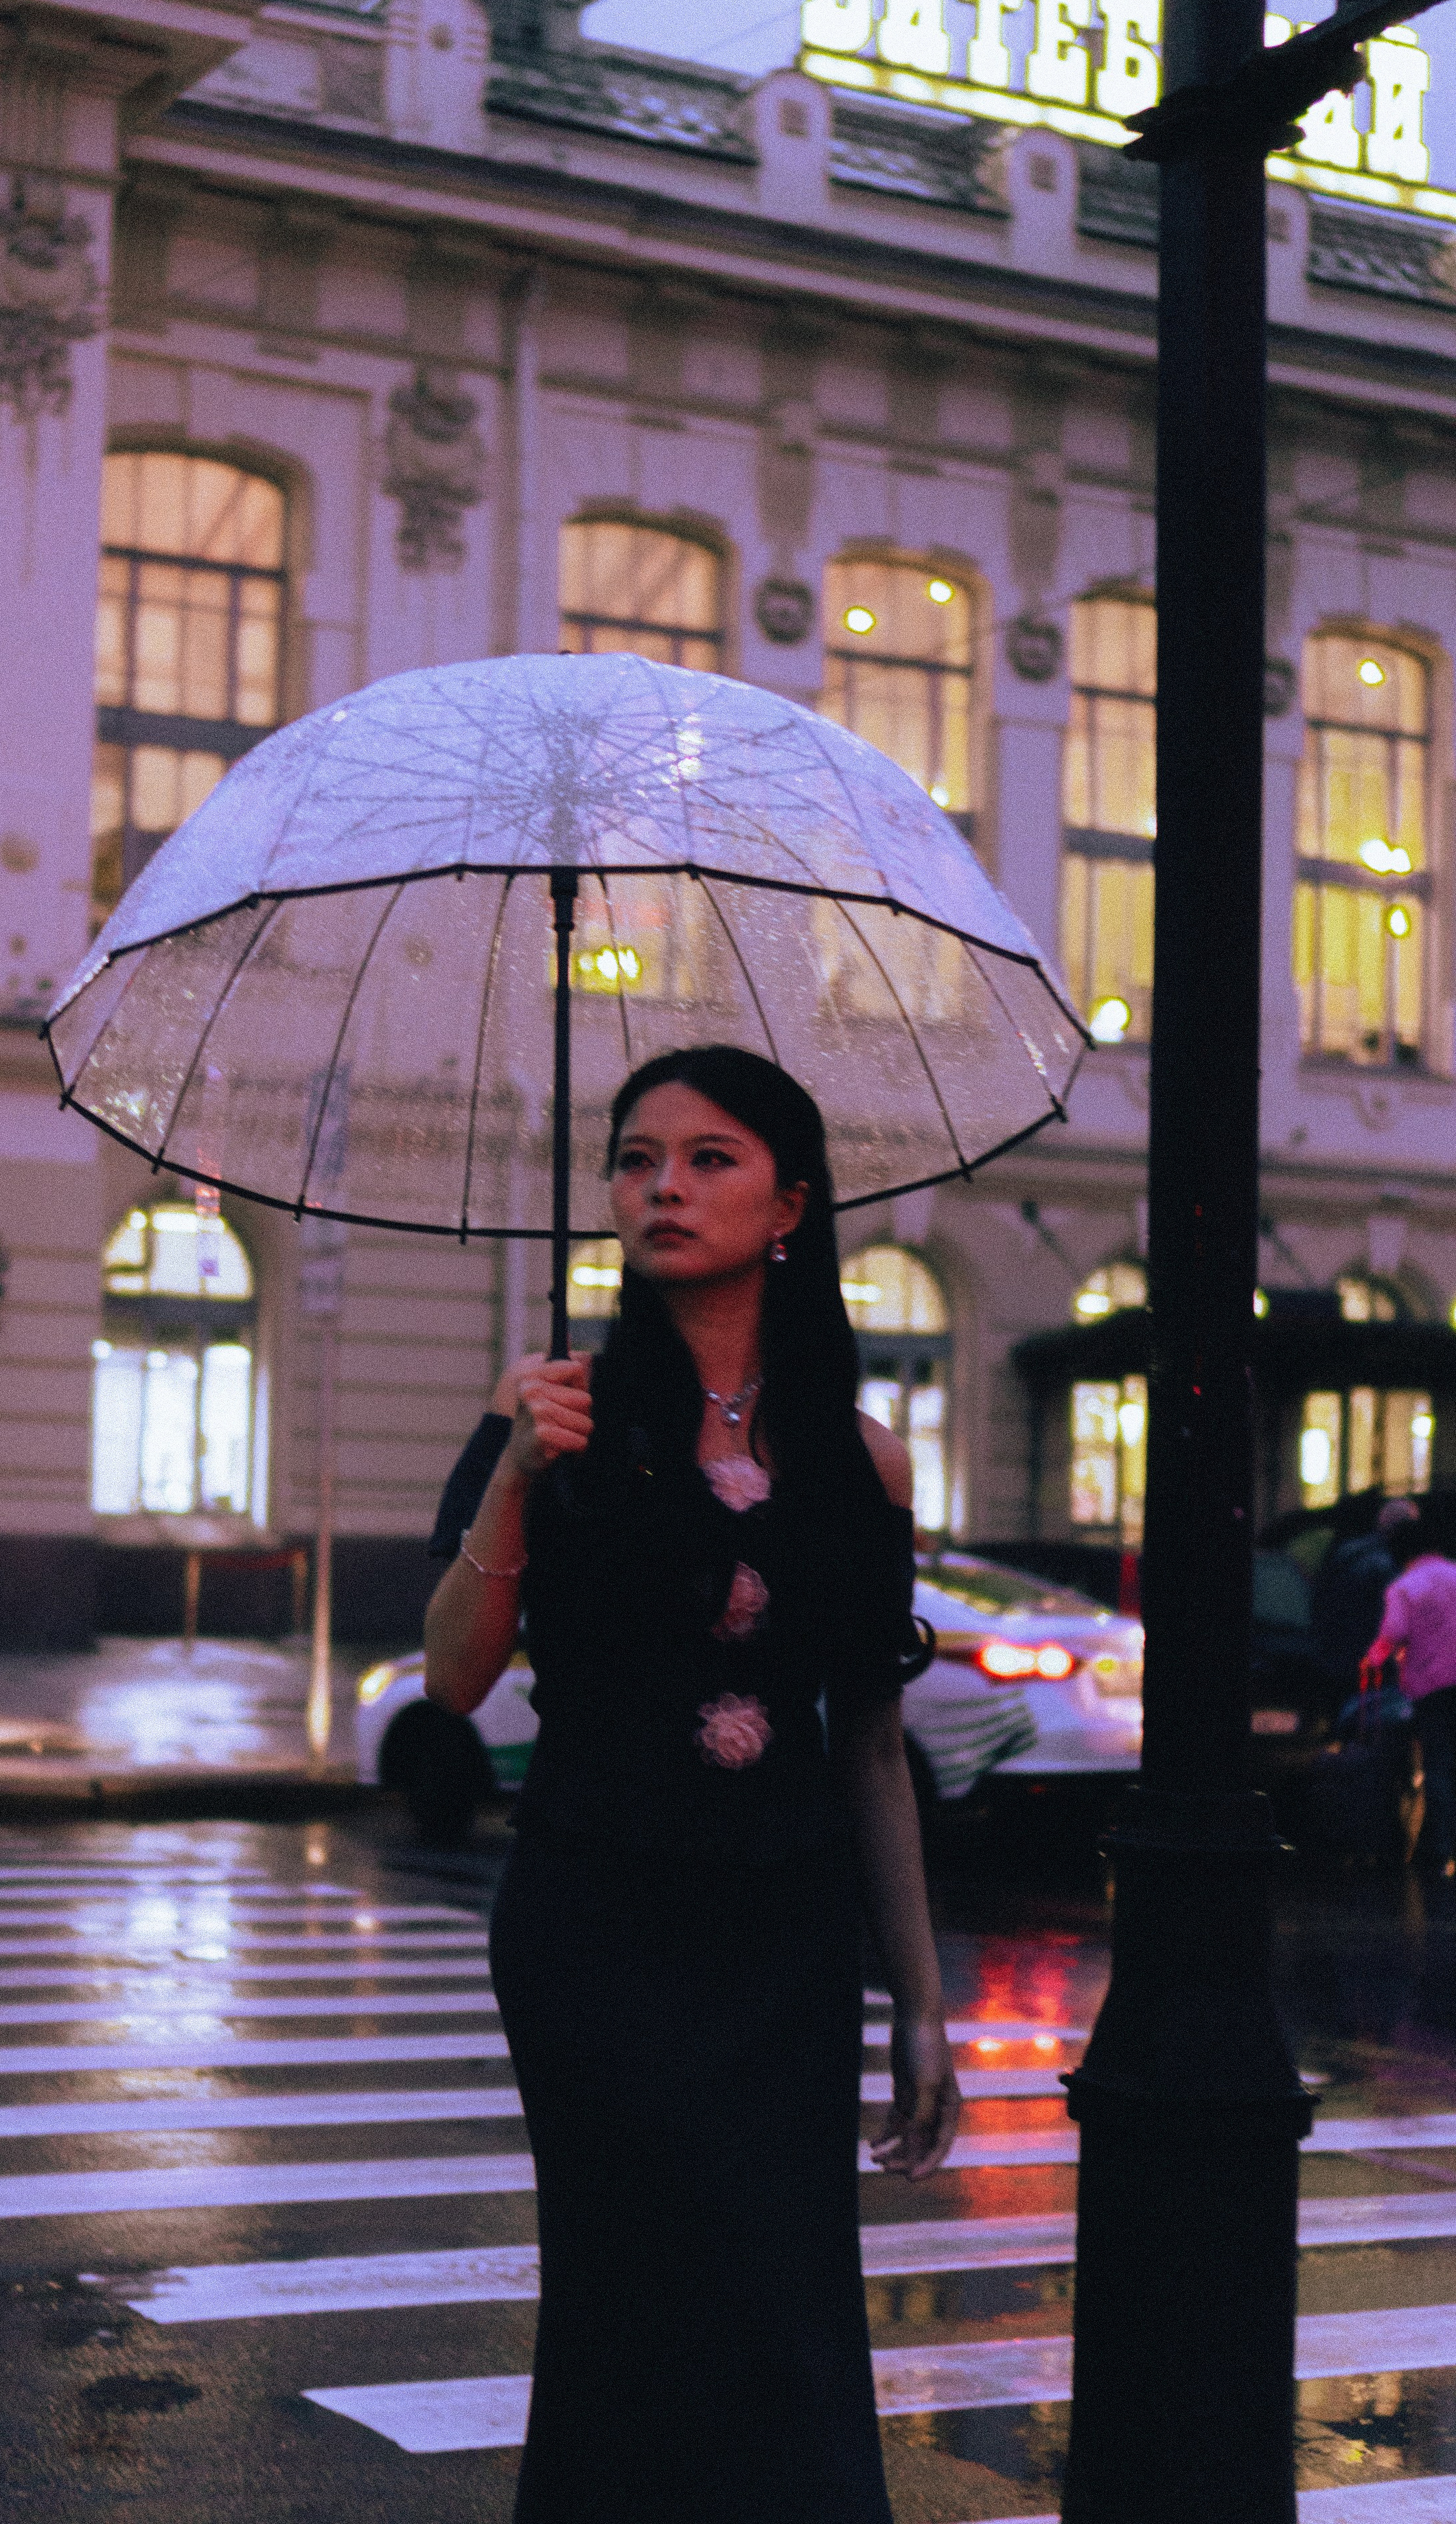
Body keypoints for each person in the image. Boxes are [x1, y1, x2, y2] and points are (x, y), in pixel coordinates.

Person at [424, 1044, 960, 2524]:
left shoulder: (861, 1459)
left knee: (783, 2316)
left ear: (789, 1203)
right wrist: (517, 1472)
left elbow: (862, 1743)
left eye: (707, 1157)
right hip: (594, 1919)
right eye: (634, 1155)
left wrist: (917, 1997)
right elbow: (453, 1679)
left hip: (782, 1942)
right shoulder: (557, 1411)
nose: (661, 1184)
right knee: (631, 2302)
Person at [1363, 1512, 1456, 1881]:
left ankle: (1437, 1848)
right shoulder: (1454, 1574)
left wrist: (1370, 1660)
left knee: (1437, 1764)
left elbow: (1393, 1633)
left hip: (1433, 1686)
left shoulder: (1405, 1587)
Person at [1313, 1496, 1420, 1711]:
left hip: (1335, 1653)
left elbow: (1320, 1599)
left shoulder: (1347, 1553)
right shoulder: (1390, 1565)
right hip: (1371, 1661)